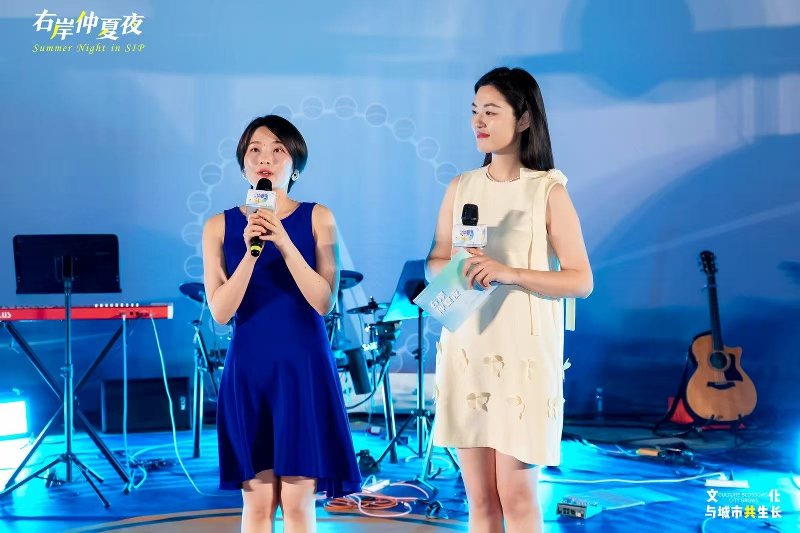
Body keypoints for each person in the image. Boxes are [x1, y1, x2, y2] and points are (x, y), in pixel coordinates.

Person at [426, 67, 593, 533]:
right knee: (480, 501)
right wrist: (456, 270)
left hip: (523, 357)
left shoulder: (548, 190)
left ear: (523, 119)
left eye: (491, 112)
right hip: (467, 348)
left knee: (517, 499)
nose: (478, 121)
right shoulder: (461, 187)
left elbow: (581, 280)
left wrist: (508, 273)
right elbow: (435, 260)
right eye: (474, 112)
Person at [202, 114, 361, 532]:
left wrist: (284, 242)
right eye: (255, 150)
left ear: (296, 166)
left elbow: (323, 301)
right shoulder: (219, 226)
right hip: (249, 372)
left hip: (303, 369)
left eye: (278, 150)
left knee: (297, 503)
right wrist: (251, 252)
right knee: (256, 506)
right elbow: (221, 312)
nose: (265, 158)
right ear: (243, 165)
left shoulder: (318, 217)